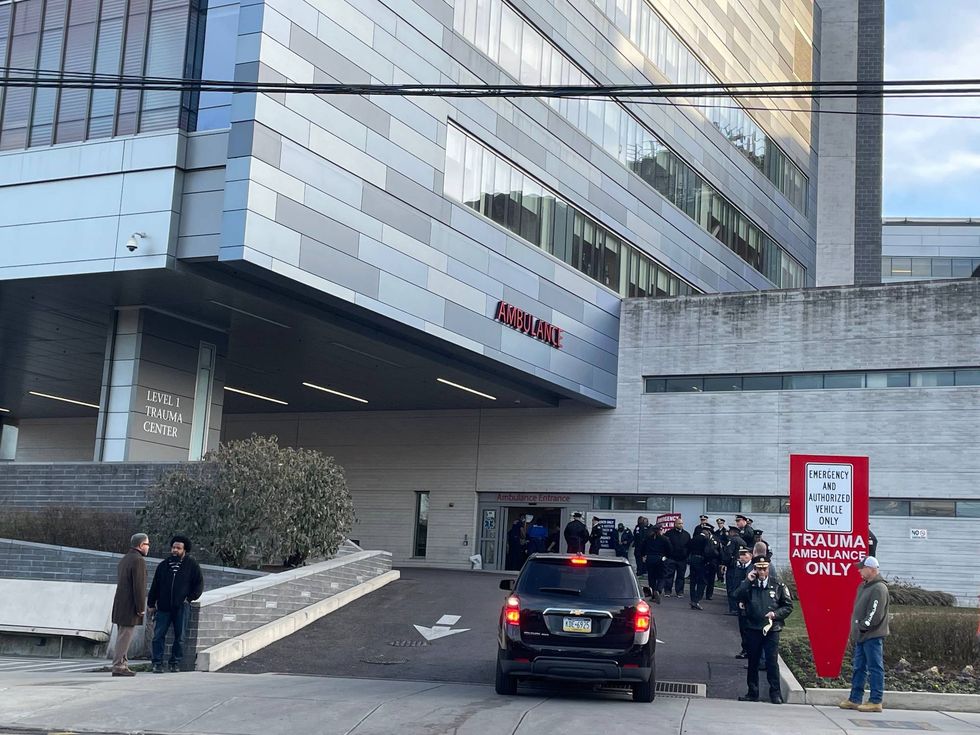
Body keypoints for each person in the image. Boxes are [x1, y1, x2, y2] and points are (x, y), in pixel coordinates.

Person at [736, 555, 793, 704]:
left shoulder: (778, 585)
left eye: (764, 569)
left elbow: (788, 606)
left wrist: (775, 614)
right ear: (754, 569)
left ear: (768, 569)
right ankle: (752, 692)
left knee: (771, 661)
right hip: (753, 627)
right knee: (753, 661)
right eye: (759, 569)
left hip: (771, 629)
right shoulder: (750, 584)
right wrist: (748, 581)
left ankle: (775, 693)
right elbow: (737, 595)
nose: (762, 572)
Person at [839, 556, 890, 713]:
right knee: (859, 667)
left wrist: (862, 627)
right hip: (862, 635)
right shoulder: (864, 586)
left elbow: (875, 614)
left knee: (875, 667)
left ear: (872, 569)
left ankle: (875, 700)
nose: (859, 570)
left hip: (872, 635)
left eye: (862, 568)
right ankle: (855, 699)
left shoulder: (879, 588)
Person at [147, 535, 204, 673]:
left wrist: (189, 599)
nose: (175, 550)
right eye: (173, 547)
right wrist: (151, 604)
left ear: (185, 550)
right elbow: (155, 586)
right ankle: (157, 663)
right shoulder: (163, 565)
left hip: (181, 607)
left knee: (180, 637)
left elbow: (199, 585)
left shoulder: (192, 565)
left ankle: (175, 663)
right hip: (164, 607)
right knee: (158, 636)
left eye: (178, 548)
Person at [110, 533, 150, 677]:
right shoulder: (138, 560)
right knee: (125, 637)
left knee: (122, 635)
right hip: (129, 606)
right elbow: (139, 586)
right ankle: (119, 665)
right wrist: (140, 607)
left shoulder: (125, 559)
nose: (148, 547)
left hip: (120, 604)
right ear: (141, 545)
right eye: (147, 544)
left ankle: (122, 663)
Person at [731, 547, 754, 657]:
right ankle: (745, 649)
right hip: (740, 601)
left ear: (751, 556)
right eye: (741, 554)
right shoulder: (739, 567)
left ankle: (748, 650)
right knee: (742, 627)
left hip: (749, 603)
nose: (742, 557)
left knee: (748, 628)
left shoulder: (752, 568)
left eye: (745, 554)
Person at [644, 524, 672, 603]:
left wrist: (644, 556)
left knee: (651, 577)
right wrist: (666, 557)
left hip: (650, 559)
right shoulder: (665, 539)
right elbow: (670, 549)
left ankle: (653, 594)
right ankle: (658, 590)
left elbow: (643, 547)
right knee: (662, 576)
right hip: (660, 559)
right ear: (660, 530)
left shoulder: (648, 538)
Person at [664, 517, 691, 597]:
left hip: (682, 559)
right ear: (675, 524)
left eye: (682, 523)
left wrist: (686, 555)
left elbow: (689, 546)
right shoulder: (669, 533)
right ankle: (667, 591)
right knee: (669, 575)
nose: (681, 525)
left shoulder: (686, 534)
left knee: (681, 576)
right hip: (671, 558)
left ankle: (679, 591)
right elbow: (665, 545)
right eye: (679, 523)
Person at [685, 527, 711, 610]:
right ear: (706, 533)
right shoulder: (705, 540)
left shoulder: (694, 538)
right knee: (702, 581)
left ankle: (692, 599)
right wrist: (707, 561)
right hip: (701, 561)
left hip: (692, 560)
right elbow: (707, 551)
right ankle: (696, 600)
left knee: (693, 581)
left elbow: (687, 548)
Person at [724, 527, 746, 614]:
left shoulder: (732, 540)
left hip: (732, 566)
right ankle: (738, 608)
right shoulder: (743, 542)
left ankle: (733, 609)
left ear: (732, 532)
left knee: (731, 587)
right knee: (737, 587)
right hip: (740, 567)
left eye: (729, 532)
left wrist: (724, 563)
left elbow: (728, 553)